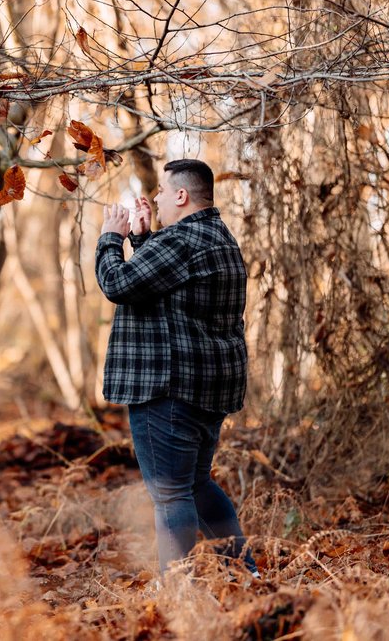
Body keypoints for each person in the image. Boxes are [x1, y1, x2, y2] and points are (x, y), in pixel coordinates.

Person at [95, 159, 258, 577]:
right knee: (197, 484)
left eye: (163, 193)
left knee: (170, 495)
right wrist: (144, 238)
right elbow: (163, 288)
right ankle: (246, 574)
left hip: (168, 389)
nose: (157, 199)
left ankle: (177, 592)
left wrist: (110, 239)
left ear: (182, 196)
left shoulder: (183, 240)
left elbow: (119, 284)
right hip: (206, 389)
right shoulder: (217, 237)